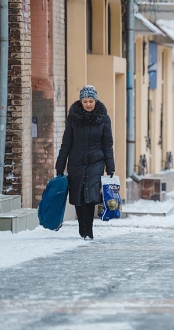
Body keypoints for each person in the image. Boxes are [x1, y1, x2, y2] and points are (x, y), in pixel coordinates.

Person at [55, 85, 115, 240]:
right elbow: (66, 143)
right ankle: (82, 227)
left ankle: (88, 231)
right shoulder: (73, 118)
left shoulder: (104, 118)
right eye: (85, 101)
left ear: (95, 100)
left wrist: (110, 167)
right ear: (81, 101)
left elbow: (107, 145)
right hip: (76, 162)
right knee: (77, 196)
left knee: (91, 196)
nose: (88, 104)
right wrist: (60, 166)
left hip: (96, 163)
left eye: (91, 101)